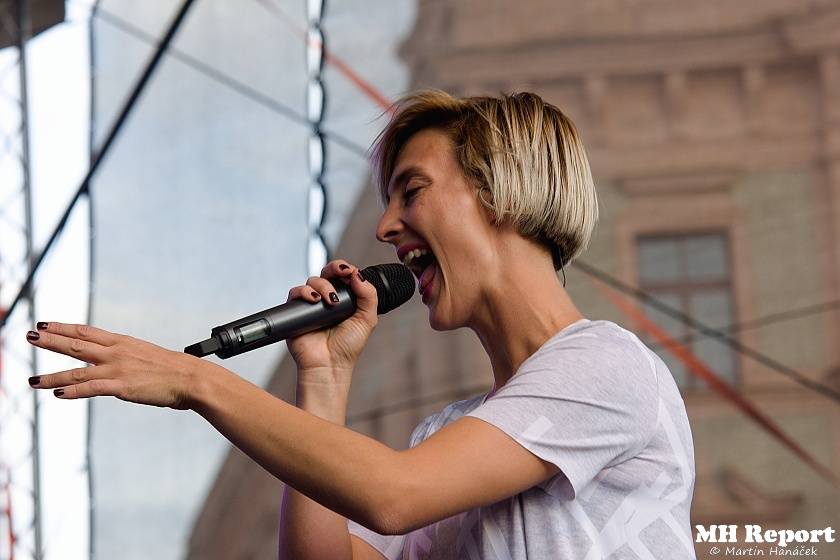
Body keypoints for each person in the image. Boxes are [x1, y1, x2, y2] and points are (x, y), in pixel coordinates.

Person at [24, 90, 696, 559]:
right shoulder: (448, 433)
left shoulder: (607, 364)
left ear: (501, 191)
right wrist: (323, 380)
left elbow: (394, 495)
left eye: (412, 191)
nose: (385, 227)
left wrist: (198, 382)